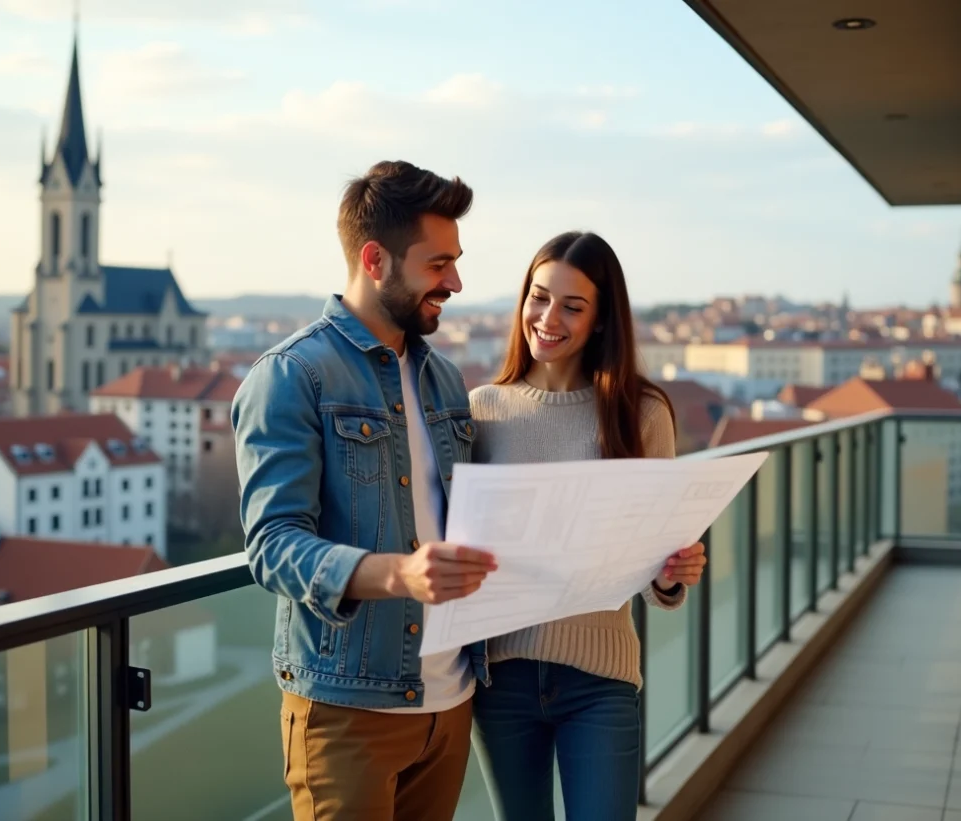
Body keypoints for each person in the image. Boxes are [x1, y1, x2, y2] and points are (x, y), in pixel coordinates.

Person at [231, 160, 499, 821]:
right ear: (375, 259)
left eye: (456, 262)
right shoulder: (292, 375)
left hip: (451, 702)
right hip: (347, 711)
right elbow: (272, 545)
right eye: (439, 264)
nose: (456, 282)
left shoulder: (443, 378)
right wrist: (400, 573)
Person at [468, 230, 709, 821]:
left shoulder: (642, 413)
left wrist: (675, 572)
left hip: (600, 679)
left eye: (572, 306)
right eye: (539, 297)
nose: (548, 318)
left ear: (601, 321)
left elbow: (658, 574)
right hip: (500, 680)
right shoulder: (481, 411)